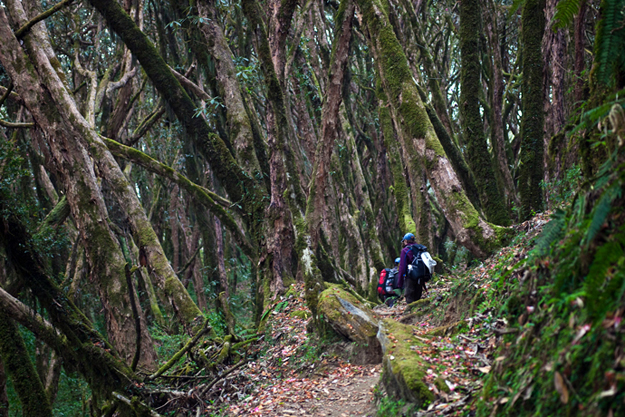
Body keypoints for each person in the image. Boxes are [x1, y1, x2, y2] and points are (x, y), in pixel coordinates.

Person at [397, 233, 424, 304]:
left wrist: (400, 283)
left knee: (409, 297)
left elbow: (402, 267)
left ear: (405, 241)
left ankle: (411, 312)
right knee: (417, 297)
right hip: (420, 276)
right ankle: (417, 312)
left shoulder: (405, 250)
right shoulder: (420, 248)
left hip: (410, 277)